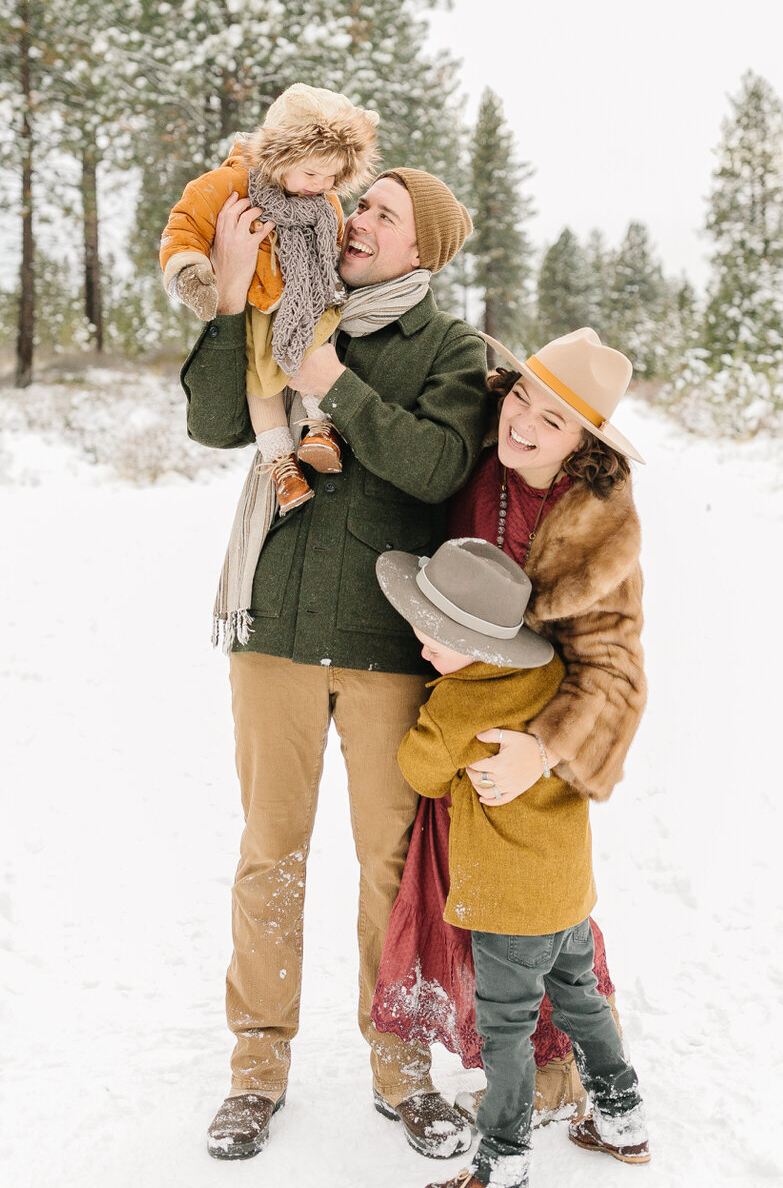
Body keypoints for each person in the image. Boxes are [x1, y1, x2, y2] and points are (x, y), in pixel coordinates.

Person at [180, 163, 489, 1161]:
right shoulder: (292, 302)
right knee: (271, 854)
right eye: (361, 203)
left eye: (382, 214)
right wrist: (233, 298)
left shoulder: (449, 348)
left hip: (386, 645)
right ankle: (255, 1072)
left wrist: (337, 387)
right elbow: (216, 422)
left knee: (391, 869)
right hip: (273, 625)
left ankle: (402, 1072)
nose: (356, 220)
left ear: (422, 248)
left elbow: (437, 465)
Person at [372, 327, 648, 1151]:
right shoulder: (477, 459)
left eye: (553, 419)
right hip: (461, 710)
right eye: (522, 396)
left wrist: (544, 749)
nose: (524, 422)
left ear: (585, 447)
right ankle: (472, 1067)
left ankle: (550, 1094)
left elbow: (617, 672)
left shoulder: (596, 525)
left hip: (530, 743)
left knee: (548, 924)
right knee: (465, 902)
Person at [160, 82, 379, 514]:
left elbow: (331, 251)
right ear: (280, 156)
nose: (323, 185)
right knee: (261, 381)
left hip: (312, 303)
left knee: (317, 352)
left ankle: (319, 428)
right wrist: (192, 271)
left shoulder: (326, 205)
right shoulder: (230, 186)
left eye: (333, 176)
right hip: (259, 310)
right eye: (312, 173)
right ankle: (281, 463)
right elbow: (186, 224)